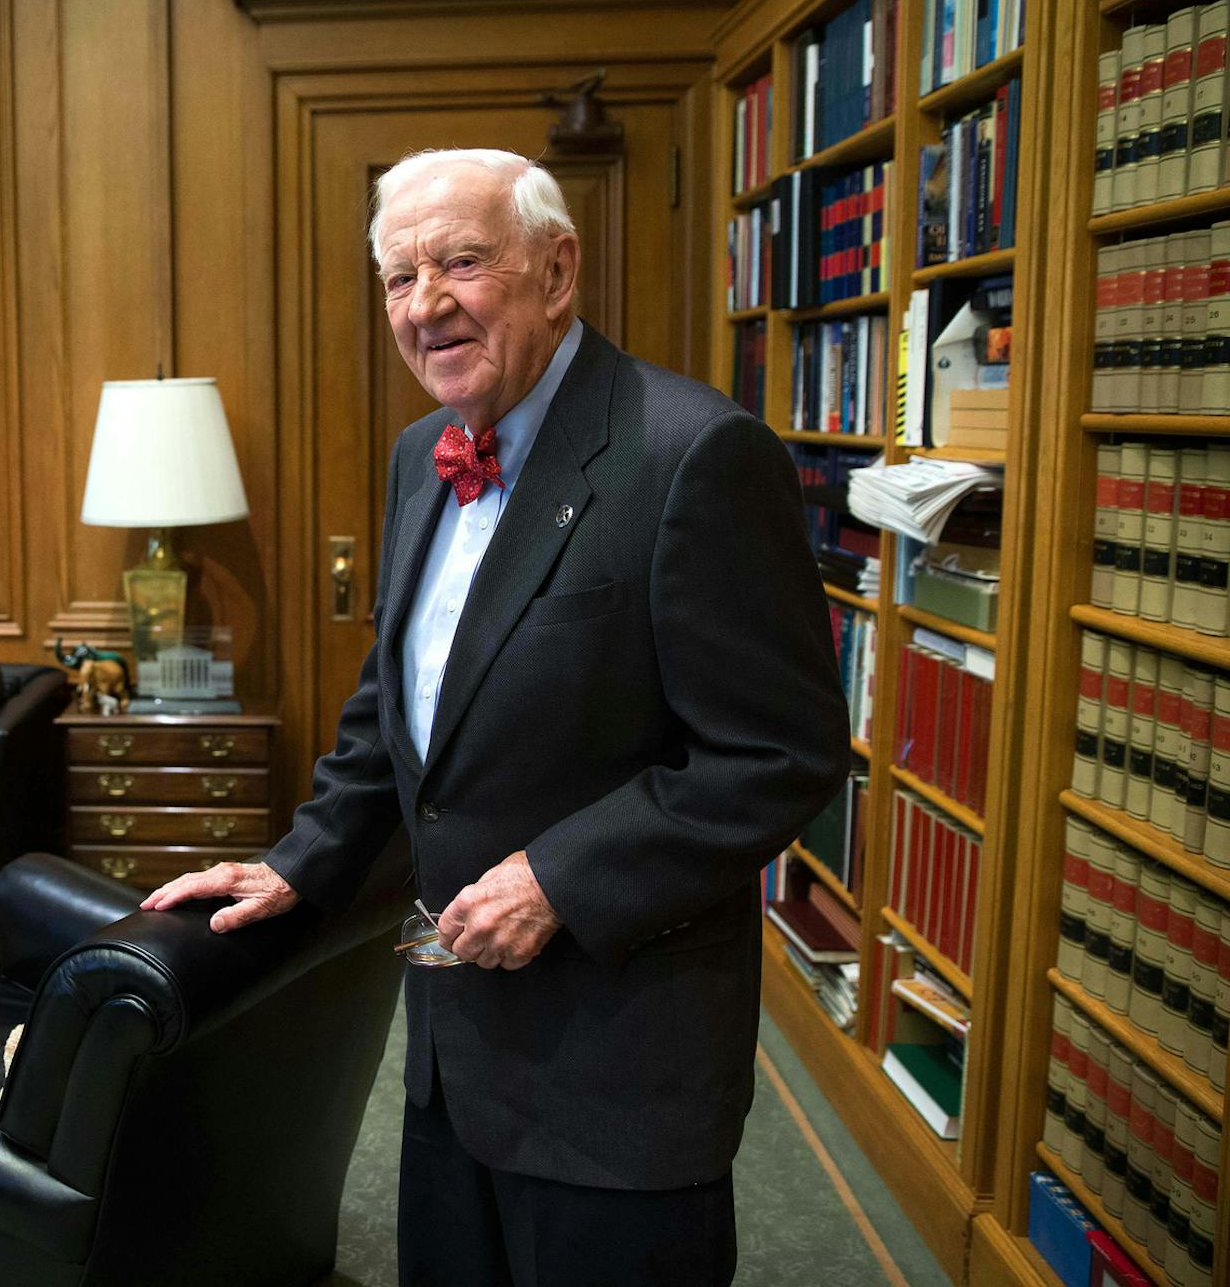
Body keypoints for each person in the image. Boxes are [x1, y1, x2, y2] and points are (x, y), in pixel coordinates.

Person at [142, 148, 850, 1286]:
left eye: (461, 263)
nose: (425, 306)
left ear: (557, 270)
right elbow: (400, 701)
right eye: (396, 279)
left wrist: (561, 878)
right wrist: (304, 863)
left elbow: (782, 751)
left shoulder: (693, 455)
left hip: (619, 1065)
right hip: (452, 1054)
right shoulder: (419, 458)